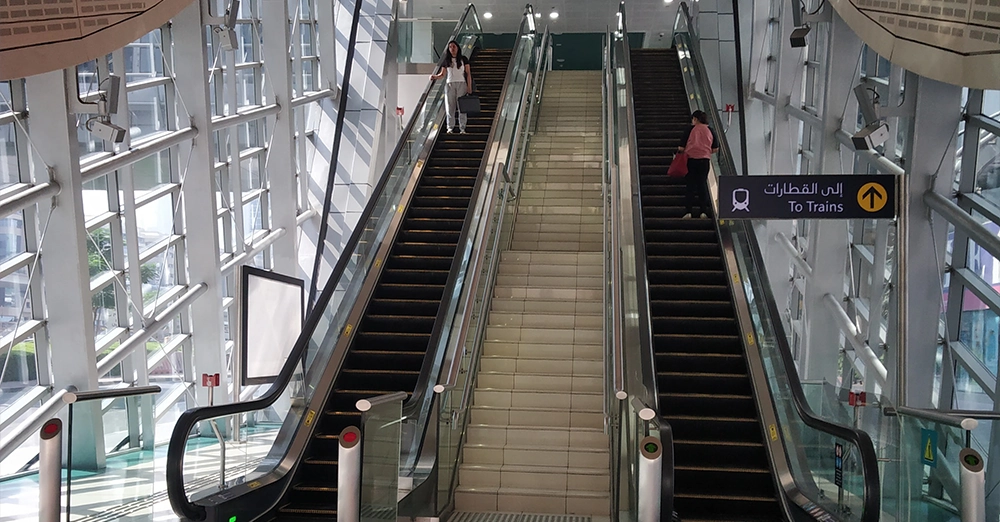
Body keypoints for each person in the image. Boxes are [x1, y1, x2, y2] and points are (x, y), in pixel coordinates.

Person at [677, 110, 720, 218]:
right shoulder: (710, 130)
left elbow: (681, 147)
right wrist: (704, 151)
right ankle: (703, 211)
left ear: (695, 119)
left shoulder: (690, 129)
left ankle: (688, 212)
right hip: (704, 161)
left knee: (690, 185)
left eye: (693, 119)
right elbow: (715, 149)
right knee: (702, 185)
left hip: (691, 160)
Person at [430, 40, 472, 134]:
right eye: (450, 47)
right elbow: (442, 74)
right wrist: (434, 77)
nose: (452, 48)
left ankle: (462, 128)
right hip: (449, 85)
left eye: (454, 46)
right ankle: (450, 128)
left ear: (457, 48)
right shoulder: (446, 61)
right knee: (450, 107)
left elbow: (468, 73)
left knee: (462, 107)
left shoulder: (463, 59)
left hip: (462, 84)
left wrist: (469, 86)